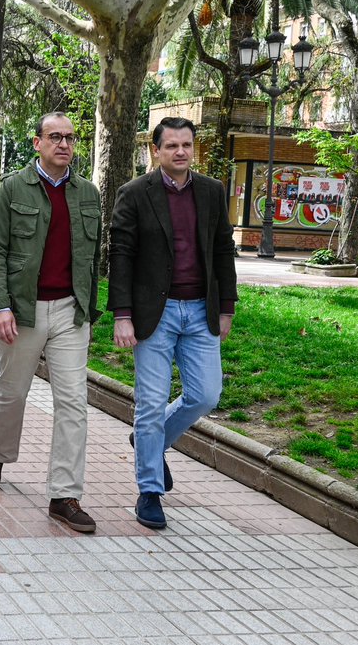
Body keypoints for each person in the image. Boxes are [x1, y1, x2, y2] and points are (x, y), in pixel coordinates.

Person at [108, 116, 238, 531]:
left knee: (206, 395)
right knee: (149, 403)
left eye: (187, 145)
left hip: (201, 311)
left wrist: (227, 307)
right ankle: (149, 490)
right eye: (172, 146)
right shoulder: (134, 194)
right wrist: (123, 315)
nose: (181, 152)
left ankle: (152, 438)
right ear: (156, 151)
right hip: (154, 315)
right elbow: (121, 256)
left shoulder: (212, 192)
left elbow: (222, 251)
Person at [0, 112, 102, 533]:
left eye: (69, 137)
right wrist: (0, 306)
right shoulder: (12, 188)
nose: (63, 144)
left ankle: (64, 495)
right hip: (24, 310)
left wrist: (91, 309)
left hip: (71, 311)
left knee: (73, 403)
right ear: (37, 143)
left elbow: (93, 258)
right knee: (11, 394)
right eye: (55, 137)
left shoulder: (88, 193)